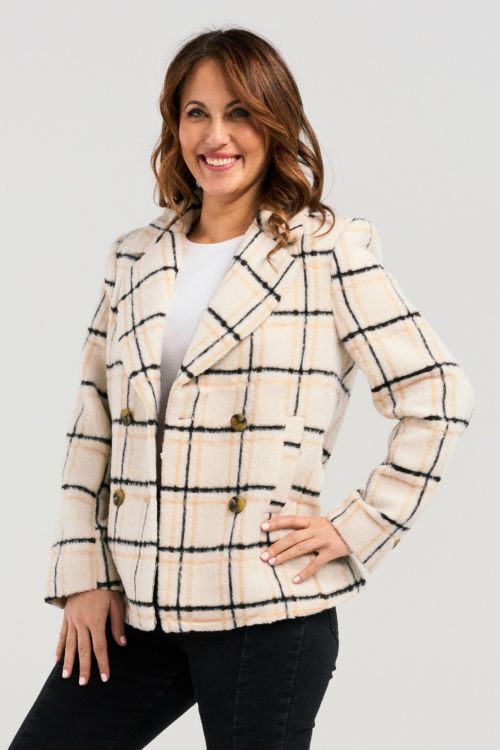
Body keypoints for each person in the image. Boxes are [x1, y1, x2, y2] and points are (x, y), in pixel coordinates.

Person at [8, 26, 474, 750]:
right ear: (174, 124)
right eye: (196, 112)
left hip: (265, 607)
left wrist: (355, 528)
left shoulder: (325, 249)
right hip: (134, 604)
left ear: (273, 124)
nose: (216, 135)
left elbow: (438, 394)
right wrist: (83, 575)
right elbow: (92, 424)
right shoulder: (134, 257)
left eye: (239, 113)